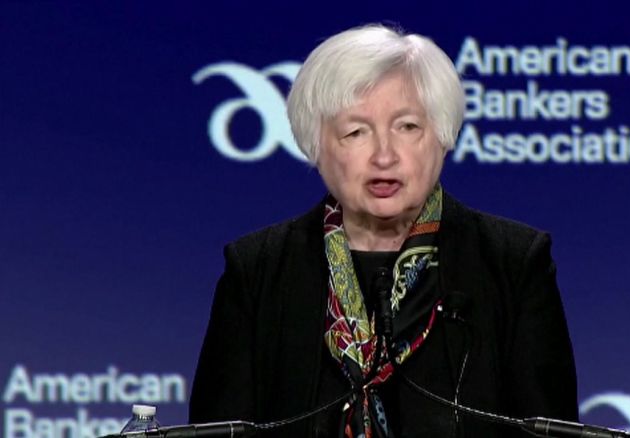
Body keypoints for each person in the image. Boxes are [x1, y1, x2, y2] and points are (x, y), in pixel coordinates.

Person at [189, 24, 577, 437]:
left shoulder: (513, 264)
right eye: (356, 132)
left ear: (443, 136)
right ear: (315, 145)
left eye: (407, 127)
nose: (384, 156)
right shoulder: (257, 270)